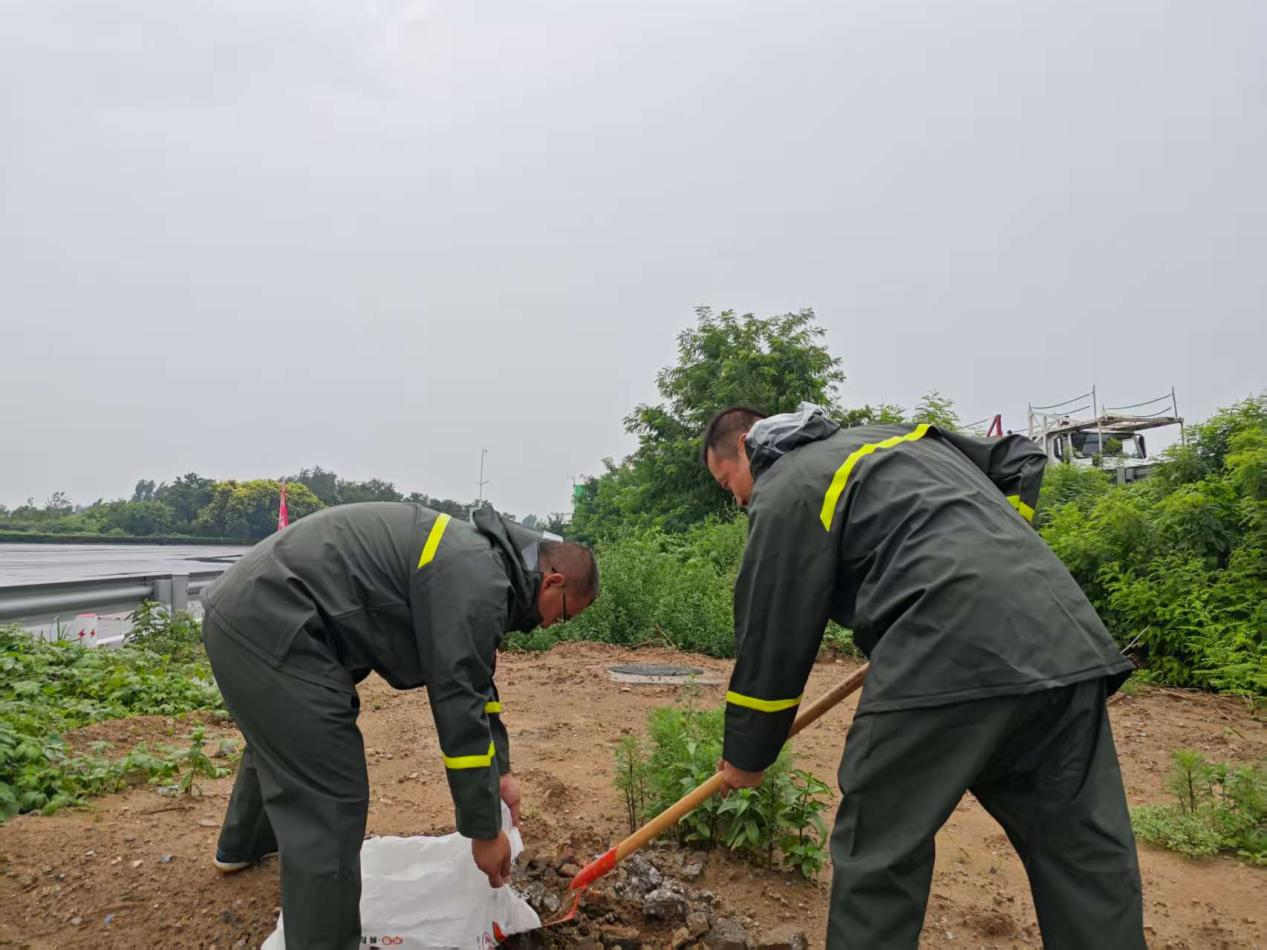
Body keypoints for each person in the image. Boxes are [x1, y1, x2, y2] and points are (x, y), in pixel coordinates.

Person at [701, 403, 1144, 950]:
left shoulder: (788, 484)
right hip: (1059, 638)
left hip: (946, 642)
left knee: (879, 843)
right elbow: (1018, 459)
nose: (737, 499)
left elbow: (774, 626)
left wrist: (747, 754)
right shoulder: (895, 438)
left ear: (746, 444)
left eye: (727, 483)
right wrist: (991, 568)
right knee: (1082, 852)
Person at [200, 502, 598, 950]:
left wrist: (500, 772)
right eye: (563, 614)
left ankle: (242, 846)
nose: (550, 625)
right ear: (553, 582)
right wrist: (484, 831)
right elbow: (458, 703)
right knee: (329, 792)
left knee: (290, 734)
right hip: (268, 622)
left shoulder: (485, 566)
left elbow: (476, 680)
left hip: (260, 610)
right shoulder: (479, 580)